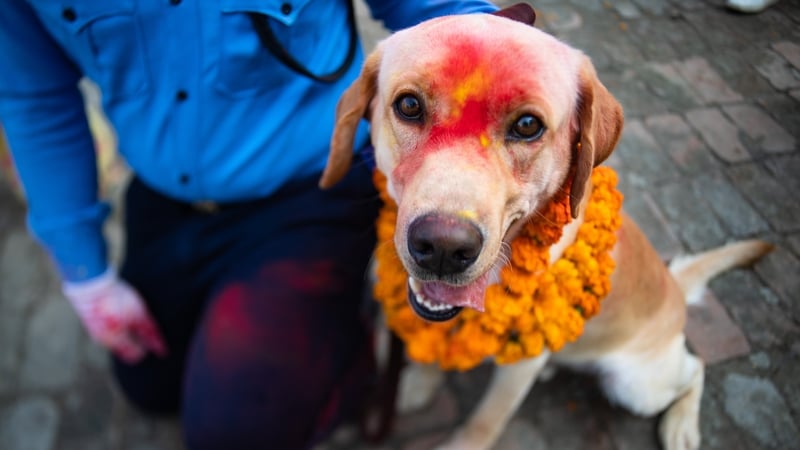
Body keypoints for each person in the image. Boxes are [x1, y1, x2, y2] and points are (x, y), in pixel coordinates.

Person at [0, 1, 498, 448]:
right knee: (147, 384)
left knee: (234, 433)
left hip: (310, 188)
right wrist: (85, 275)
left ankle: (349, 353)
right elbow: (37, 99)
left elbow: (445, 12)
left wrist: (516, 96)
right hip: (166, 196)